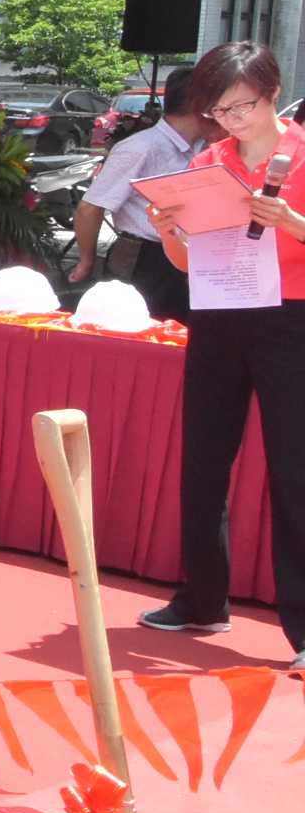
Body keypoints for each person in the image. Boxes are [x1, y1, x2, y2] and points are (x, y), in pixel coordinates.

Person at [137, 41, 305, 665]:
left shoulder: (303, 153)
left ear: (273, 93)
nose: (234, 120)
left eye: (245, 107)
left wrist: (289, 222)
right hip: (219, 314)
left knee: (295, 469)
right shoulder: (212, 159)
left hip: (291, 319)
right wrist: (168, 232)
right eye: (222, 110)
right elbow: (191, 260)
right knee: (203, 458)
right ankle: (202, 599)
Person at [77, 64, 202, 319]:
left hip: (190, 255)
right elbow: (90, 207)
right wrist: (86, 260)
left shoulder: (205, 147)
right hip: (144, 258)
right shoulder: (140, 147)